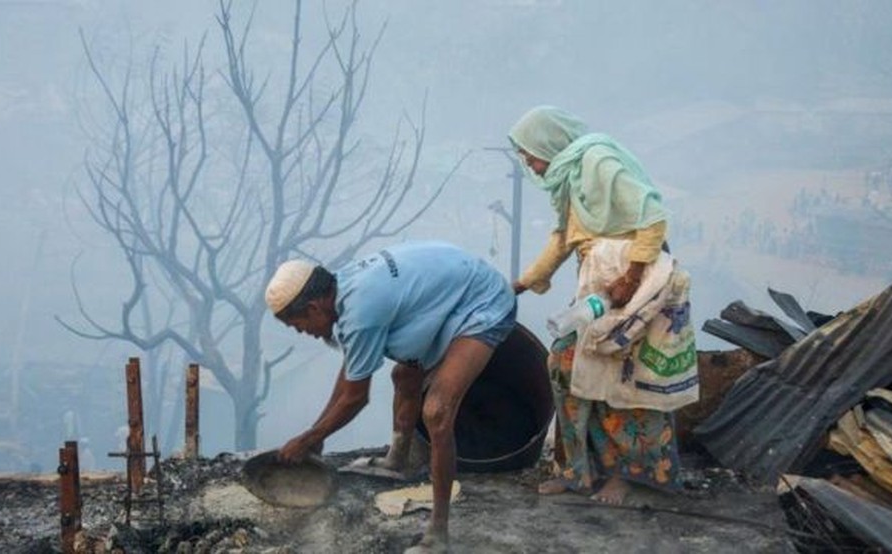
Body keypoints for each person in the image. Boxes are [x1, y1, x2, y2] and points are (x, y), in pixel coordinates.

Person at [267, 240, 516, 553]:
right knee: (404, 374)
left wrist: (307, 439)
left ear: (314, 307)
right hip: (453, 293)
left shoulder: (360, 312)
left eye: (299, 324)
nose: (304, 332)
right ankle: (397, 460)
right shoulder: (343, 289)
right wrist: (317, 436)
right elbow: (349, 375)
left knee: (437, 411)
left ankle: (438, 533)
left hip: (484, 302)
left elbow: (356, 397)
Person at [508, 106, 699, 505]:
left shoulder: (597, 161)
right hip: (598, 286)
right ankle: (578, 470)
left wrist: (629, 279)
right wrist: (524, 282)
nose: (529, 163)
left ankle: (631, 474)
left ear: (549, 143)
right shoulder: (570, 177)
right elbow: (564, 238)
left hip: (633, 282)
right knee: (565, 365)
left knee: (623, 377)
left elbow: (651, 216)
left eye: (530, 153)